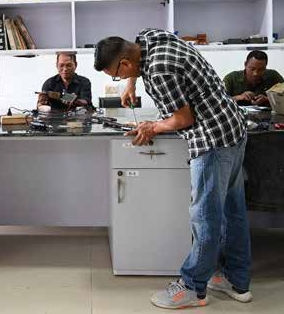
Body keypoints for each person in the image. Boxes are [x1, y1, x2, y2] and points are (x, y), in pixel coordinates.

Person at [94, 30, 252, 309]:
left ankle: (193, 288)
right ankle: (236, 281)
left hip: (212, 140)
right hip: (234, 128)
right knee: (232, 211)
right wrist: (130, 84)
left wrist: (151, 126)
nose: (120, 81)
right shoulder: (151, 37)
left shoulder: (158, 73)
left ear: (127, 62)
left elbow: (182, 117)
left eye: (117, 77)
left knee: (205, 218)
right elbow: (134, 55)